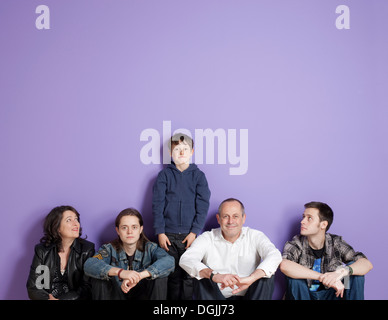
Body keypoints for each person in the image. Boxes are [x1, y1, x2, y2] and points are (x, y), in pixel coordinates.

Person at [179, 198, 282, 300]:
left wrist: (252, 278)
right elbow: (186, 259)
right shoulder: (207, 238)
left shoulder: (255, 236)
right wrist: (214, 275)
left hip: (250, 295)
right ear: (218, 219)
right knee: (201, 274)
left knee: (266, 273)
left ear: (243, 218)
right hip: (215, 297)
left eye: (235, 216)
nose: (230, 221)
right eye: (225, 216)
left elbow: (274, 255)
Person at [152, 133, 211, 300]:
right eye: (177, 149)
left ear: (192, 151)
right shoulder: (164, 176)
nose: (181, 152)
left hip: (189, 236)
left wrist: (194, 232)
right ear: (171, 153)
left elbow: (203, 205)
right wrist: (160, 232)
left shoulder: (198, 176)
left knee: (188, 276)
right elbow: (157, 205)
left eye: (185, 149)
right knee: (173, 275)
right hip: (168, 236)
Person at [280, 201, 373, 300]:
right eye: (303, 217)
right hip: (305, 295)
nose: (302, 221)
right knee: (294, 279)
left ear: (323, 225)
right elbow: (285, 265)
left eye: (309, 218)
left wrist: (341, 273)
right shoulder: (296, 243)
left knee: (355, 274)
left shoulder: (335, 242)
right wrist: (323, 277)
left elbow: (366, 264)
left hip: (334, 295)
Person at [84, 208, 175, 300]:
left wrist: (139, 276)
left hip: (144, 296)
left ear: (140, 229)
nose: (129, 232)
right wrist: (120, 272)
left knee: (160, 278)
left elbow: (169, 261)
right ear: (118, 230)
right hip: (117, 295)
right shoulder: (108, 249)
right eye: (124, 227)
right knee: (99, 277)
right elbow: (90, 264)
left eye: (134, 227)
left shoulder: (151, 248)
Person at [26, 205, 95, 300]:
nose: (76, 224)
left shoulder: (87, 250)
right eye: (69, 220)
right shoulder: (43, 251)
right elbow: (35, 287)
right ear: (57, 227)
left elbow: (86, 287)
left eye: (76, 219)